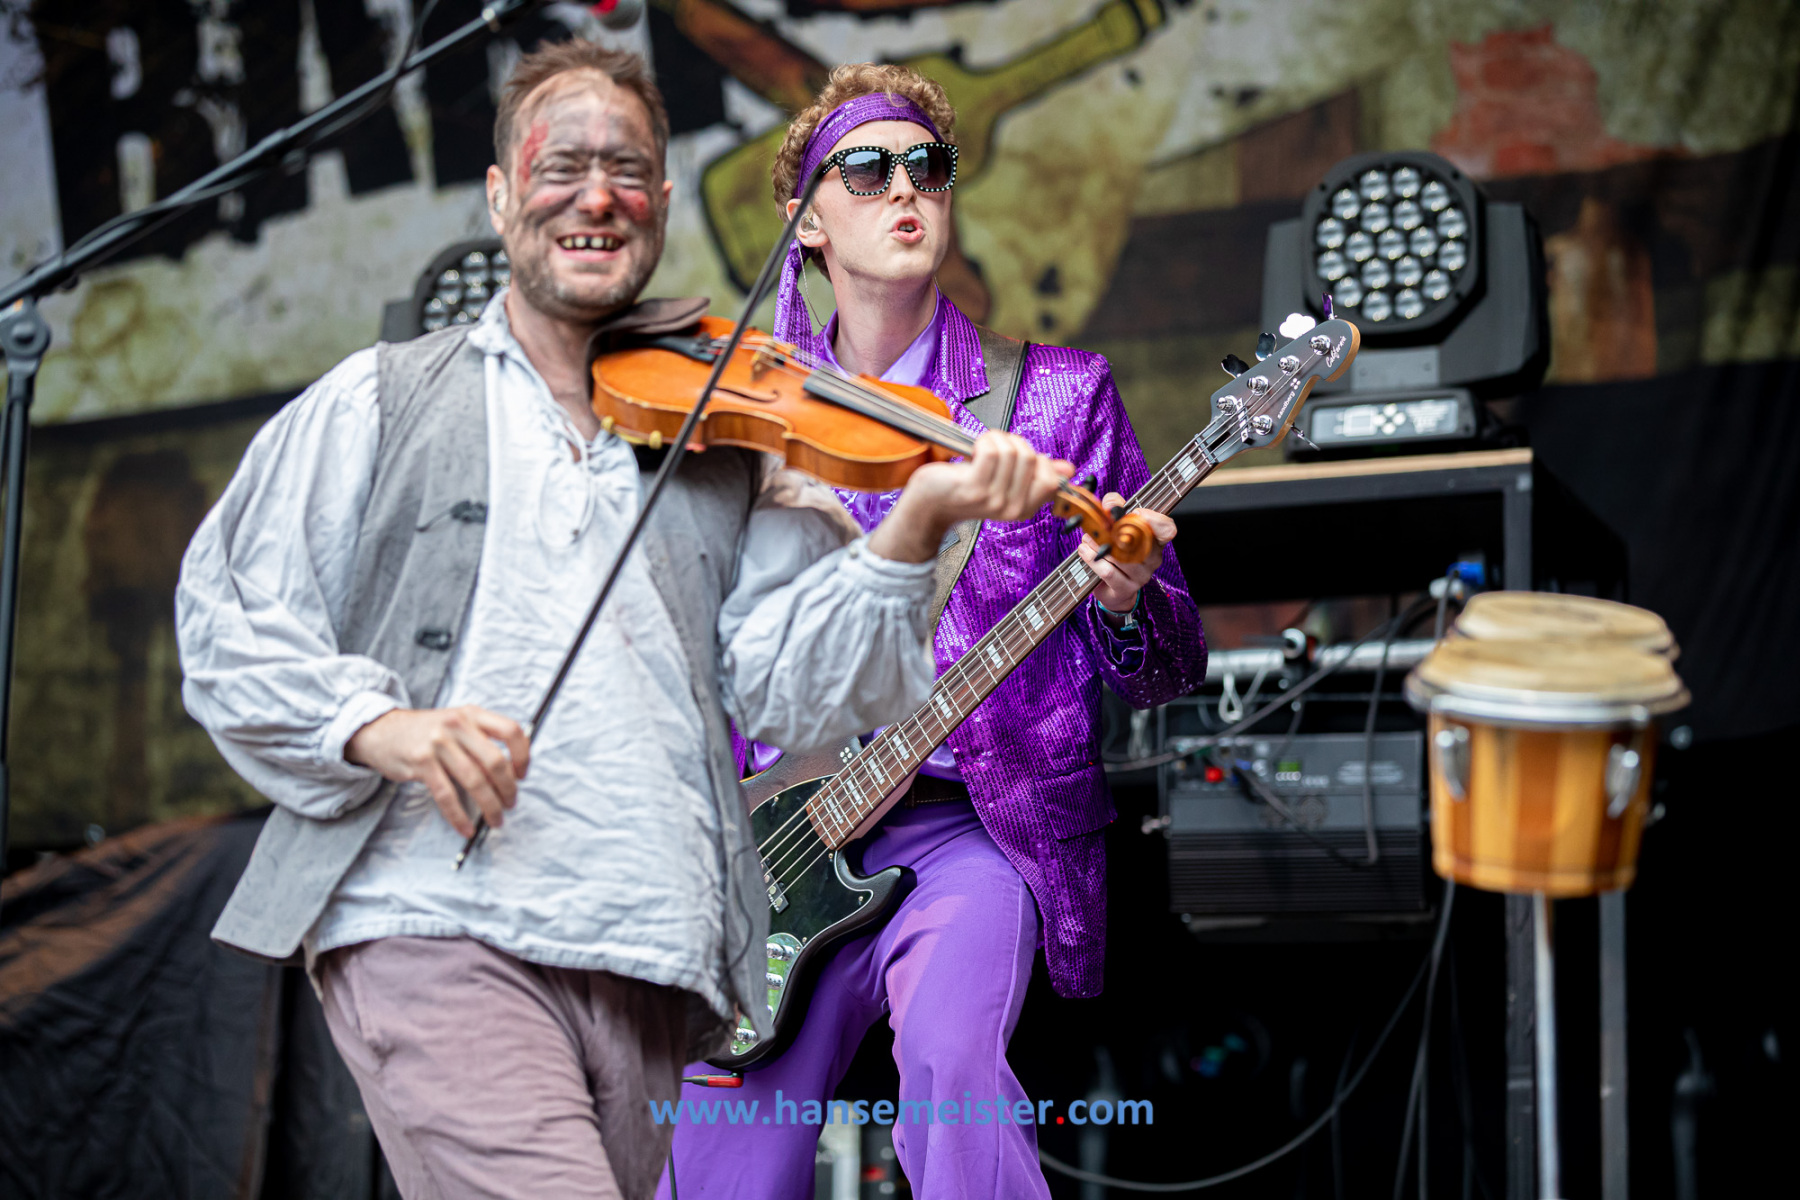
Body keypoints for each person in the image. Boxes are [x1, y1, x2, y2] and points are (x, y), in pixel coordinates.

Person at [175, 41, 1075, 1200]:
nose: (596, 194)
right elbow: (230, 619)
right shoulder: (379, 400)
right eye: (561, 166)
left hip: (649, 951)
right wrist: (381, 727)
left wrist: (914, 530)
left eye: (628, 170)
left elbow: (806, 692)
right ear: (499, 196)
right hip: (432, 918)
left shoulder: (729, 435)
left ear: (661, 202)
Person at [660, 65, 1207, 1199]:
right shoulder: (747, 419)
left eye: (929, 166)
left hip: (972, 826)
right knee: (722, 1162)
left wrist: (1123, 598)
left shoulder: (1056, 398)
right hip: (776, 844)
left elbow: (1169, 665)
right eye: (867, 170)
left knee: (955, 1069)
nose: (905, 187)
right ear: (808, 221)